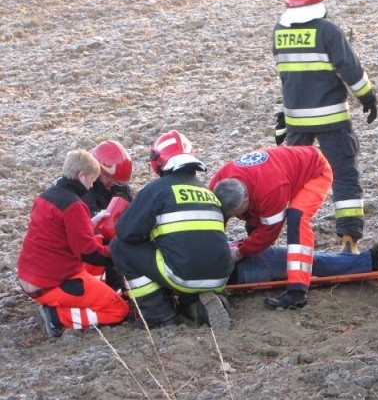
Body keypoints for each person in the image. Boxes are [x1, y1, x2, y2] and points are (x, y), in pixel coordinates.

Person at [272, 0, 378, 254]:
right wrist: (368, 98)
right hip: (332, 119)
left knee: (297, 180)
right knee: (344, 174)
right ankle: (349, 241)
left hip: (296, 120)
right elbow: (351, 71)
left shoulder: (279, 32)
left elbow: (288, 77)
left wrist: (286, 113)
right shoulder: (328, 31)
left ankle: (296, 238)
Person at [110, 130, 233, 330]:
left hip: (183, 275)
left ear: (157, 162)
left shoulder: (157, 189)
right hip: (221, 276)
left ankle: (159, 316)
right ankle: (199, 308)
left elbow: (125, 232)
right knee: (181, 253)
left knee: (119, 247)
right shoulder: (208, 192)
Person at [17, 149, 130, 337]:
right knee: (118, 310)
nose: (91, 186)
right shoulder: (74, 205)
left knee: (95, 240)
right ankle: (57, 317)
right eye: (92, 180)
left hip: (29, 278)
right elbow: (89, 254)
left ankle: (87, 295)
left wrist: (90, 223)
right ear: (81, 175)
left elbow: (56, 231)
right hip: (52, 283)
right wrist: (118, 251)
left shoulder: (46, 196)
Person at [210, 145, 333, 309]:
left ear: (247, 199)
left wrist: (240, 252)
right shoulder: (217, 184)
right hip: (280, 173)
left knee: (297, 218)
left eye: (237, 213)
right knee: (254, 227)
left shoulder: (271, 190)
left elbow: (268, 234)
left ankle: (298, 292)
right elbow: (214, 217)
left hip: (314, 171)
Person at [227, 231, 378, 285]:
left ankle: (362, 261)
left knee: (305, 259)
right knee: (305, 260)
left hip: (235, 267)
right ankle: (368, 262)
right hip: (241, 266)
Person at [82, 139, 135, 285]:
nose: (112, 185)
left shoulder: (118, 186)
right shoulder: (84, 188)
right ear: (98, 172)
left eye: (117, 182)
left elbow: (132, 208)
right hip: (93, 245)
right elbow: (85, 222)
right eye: (110, 180)